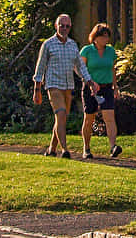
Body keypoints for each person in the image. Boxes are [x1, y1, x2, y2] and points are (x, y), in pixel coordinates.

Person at [32, 13, 94, 158]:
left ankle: (52, 149)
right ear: (56, 26)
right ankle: (65, 149)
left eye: (67, 26)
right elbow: (40, 67)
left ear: (70, 27)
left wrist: (89, 81)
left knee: (62, 118)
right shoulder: (48, 44)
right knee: (60, 114)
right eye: (62, 25)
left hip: (68, 85)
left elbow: (79, 66)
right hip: (53, 85)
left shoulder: (73, 45)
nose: (64, 28)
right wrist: (37, 90)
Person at [79, 23, 123, 160]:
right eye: (102, 36)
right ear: (95, 37)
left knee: (109, 117)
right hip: (90, 88)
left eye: (107, 36)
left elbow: (112, 69)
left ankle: (113, 146)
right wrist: (91, 82)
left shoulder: (110, 51)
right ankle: (86, 148)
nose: (105, 39)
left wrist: (115, 87)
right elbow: (82, 69)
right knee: (89, 118)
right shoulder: (87, 50)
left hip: (106, 87)